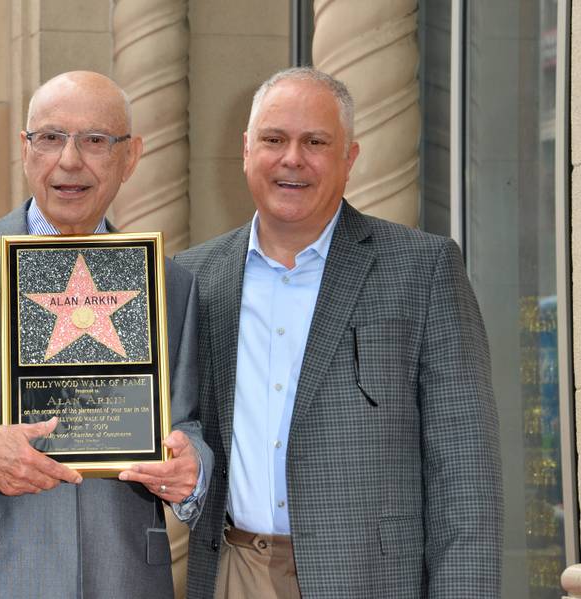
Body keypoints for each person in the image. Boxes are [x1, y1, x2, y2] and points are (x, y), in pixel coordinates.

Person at [0, 71, 213, 598]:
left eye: (95, 140)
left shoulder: (170, 283)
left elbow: (187, 422)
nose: (69, 161)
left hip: (122, 578)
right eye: (50, 138)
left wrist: (194, 467)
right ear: (24, 150)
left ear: (131, 156)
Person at [177, 67, 502, 599]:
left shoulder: (423, 270)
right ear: (245, 150)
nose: (292, 159)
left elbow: (465, 474)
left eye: (316, 142)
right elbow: (180, 422)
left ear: (349, 158)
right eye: (274, 139)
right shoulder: (194, 276)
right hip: (231, 573)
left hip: (371, 582)